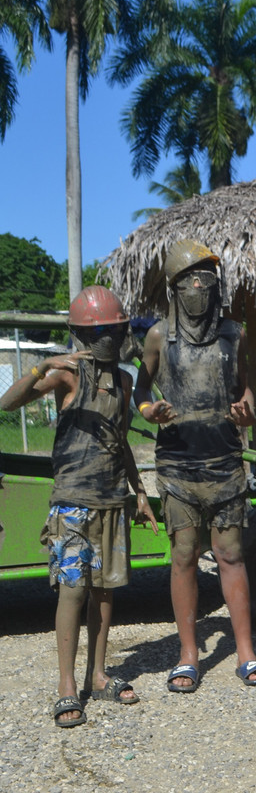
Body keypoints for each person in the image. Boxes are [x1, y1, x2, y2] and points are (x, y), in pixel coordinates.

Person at [0, 287, 156, 727]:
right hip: (72, 502)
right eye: (95, 332)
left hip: (111, 500)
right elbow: (8, 403)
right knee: (72, 590)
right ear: (78, 334)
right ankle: (67, 686)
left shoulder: (124, 381)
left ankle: (98, 672)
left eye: (111, 329)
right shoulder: (67, 376)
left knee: (104, 591)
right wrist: (42, 366)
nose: (104, 338)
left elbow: (120, 440)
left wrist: (139, 491)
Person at [135, 239, 256, 692]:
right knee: (184, 557)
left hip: (225, 462)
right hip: (177, 465)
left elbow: (246, 387)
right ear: (174, 287)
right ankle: (188, 655)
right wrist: (148, 410)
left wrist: (247, 409)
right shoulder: (158, 335)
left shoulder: (234, 334)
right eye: (189, 279)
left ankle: (246, 651)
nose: (198, 286)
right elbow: (141, 391)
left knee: (231, 556)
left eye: (206, 278)